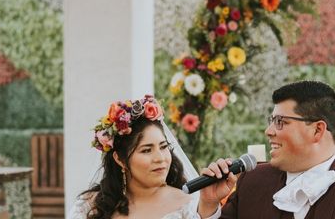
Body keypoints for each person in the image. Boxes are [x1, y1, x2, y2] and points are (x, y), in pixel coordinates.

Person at [197, 81, 335, 219]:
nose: (268, 131)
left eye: (280, 122)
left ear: (317, 130)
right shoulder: (252, 181)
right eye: (271, 121)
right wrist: (208, 205)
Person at [69, 94, 221, 219]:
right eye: (147, 150)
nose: (160, 158)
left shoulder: (189, 205)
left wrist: (208, 205)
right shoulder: (89, 207)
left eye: (163, 147)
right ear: (120, 159)